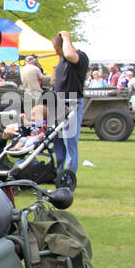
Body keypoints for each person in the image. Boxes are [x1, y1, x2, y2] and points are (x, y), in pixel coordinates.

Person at [51, 30, 88, 177]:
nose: (56, 52)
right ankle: (60, 175)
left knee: (69, 143)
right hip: (59, 104)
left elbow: (70, 54)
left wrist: (65, 37)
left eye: (57, 49)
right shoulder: (63, 59)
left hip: (72, 103)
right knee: (57, 143)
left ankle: (68, 177)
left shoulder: (80, 57)